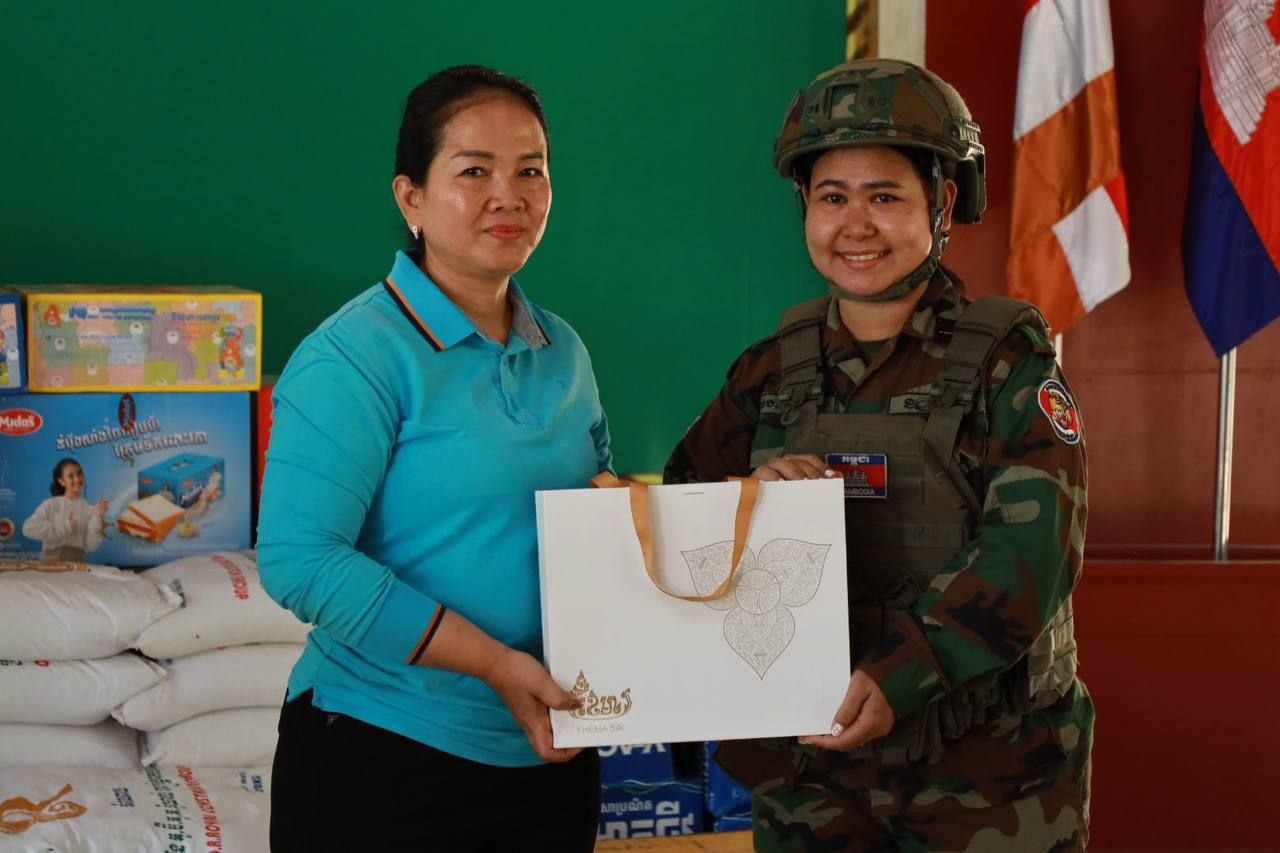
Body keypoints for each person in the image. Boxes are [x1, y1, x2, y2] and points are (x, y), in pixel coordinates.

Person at [664, 59, 1092, 851]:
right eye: (833, 197)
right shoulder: (768, 373)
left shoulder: (1008, 365)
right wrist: (748, 498)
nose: (856, 224)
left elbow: (1031, 555)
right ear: (805, 207)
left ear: (943, 203)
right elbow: (677, 518)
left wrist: (903, 673)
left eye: (885, 197)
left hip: (987, 786)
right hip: (815, 787)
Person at [257, 65, 611, 852]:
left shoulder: (564, 350)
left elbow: (602, 509)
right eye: (474, 171)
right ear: (410, 197)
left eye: (530, 171)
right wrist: (493, 663)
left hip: (550, 748)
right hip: (383, 752)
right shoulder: (354, 356)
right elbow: (298, 559)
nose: (507, 195)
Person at [22, 458, 108, 561]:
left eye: (79, 474)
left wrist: (98, 516)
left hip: (77, 567)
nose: (77, 479)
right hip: (50, 566)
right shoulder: (51, 505)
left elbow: (92, 546)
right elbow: (28, 528)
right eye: (71, 476)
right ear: (62, 481)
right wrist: (65, 527)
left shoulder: (91, 510)